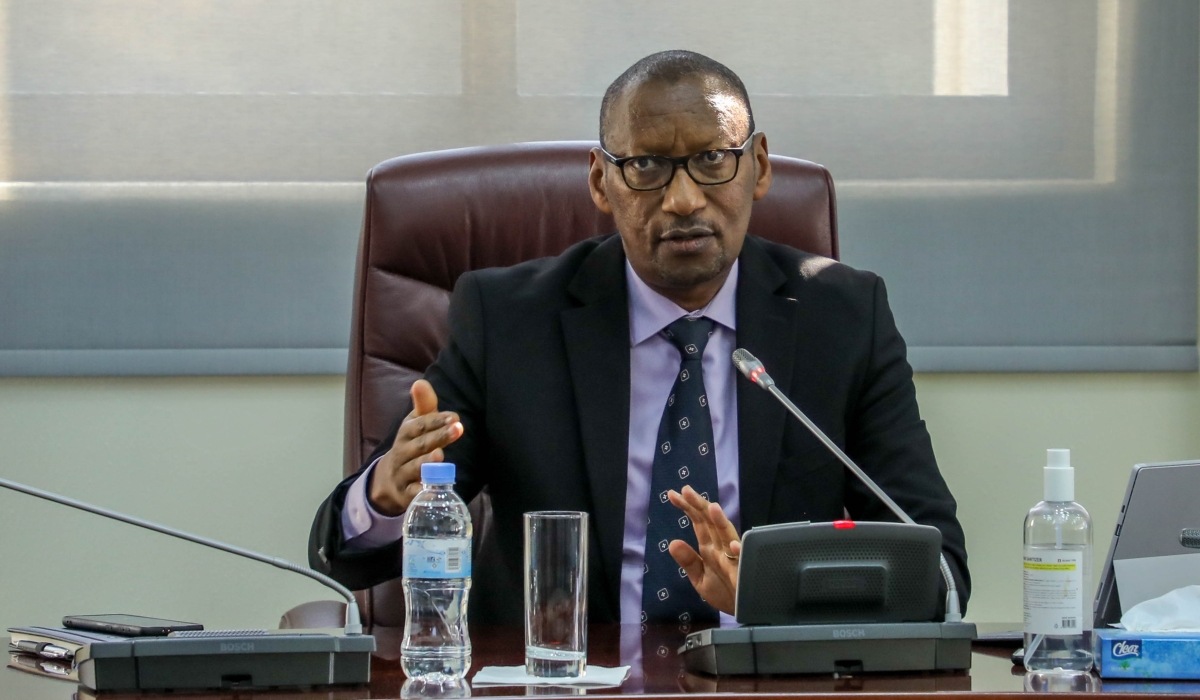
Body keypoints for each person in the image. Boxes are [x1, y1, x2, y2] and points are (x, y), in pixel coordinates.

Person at [309, 50, 969, 626]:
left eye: (713, 159)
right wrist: (386, 496)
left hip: (763, 674)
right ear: (602, 181)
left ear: (758, 166)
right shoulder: (510, 319)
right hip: (565, 677)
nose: (682, 200)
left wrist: (776, 594)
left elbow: (935, 565)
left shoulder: (843, 316)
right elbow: (350, 553)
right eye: (648, 166)